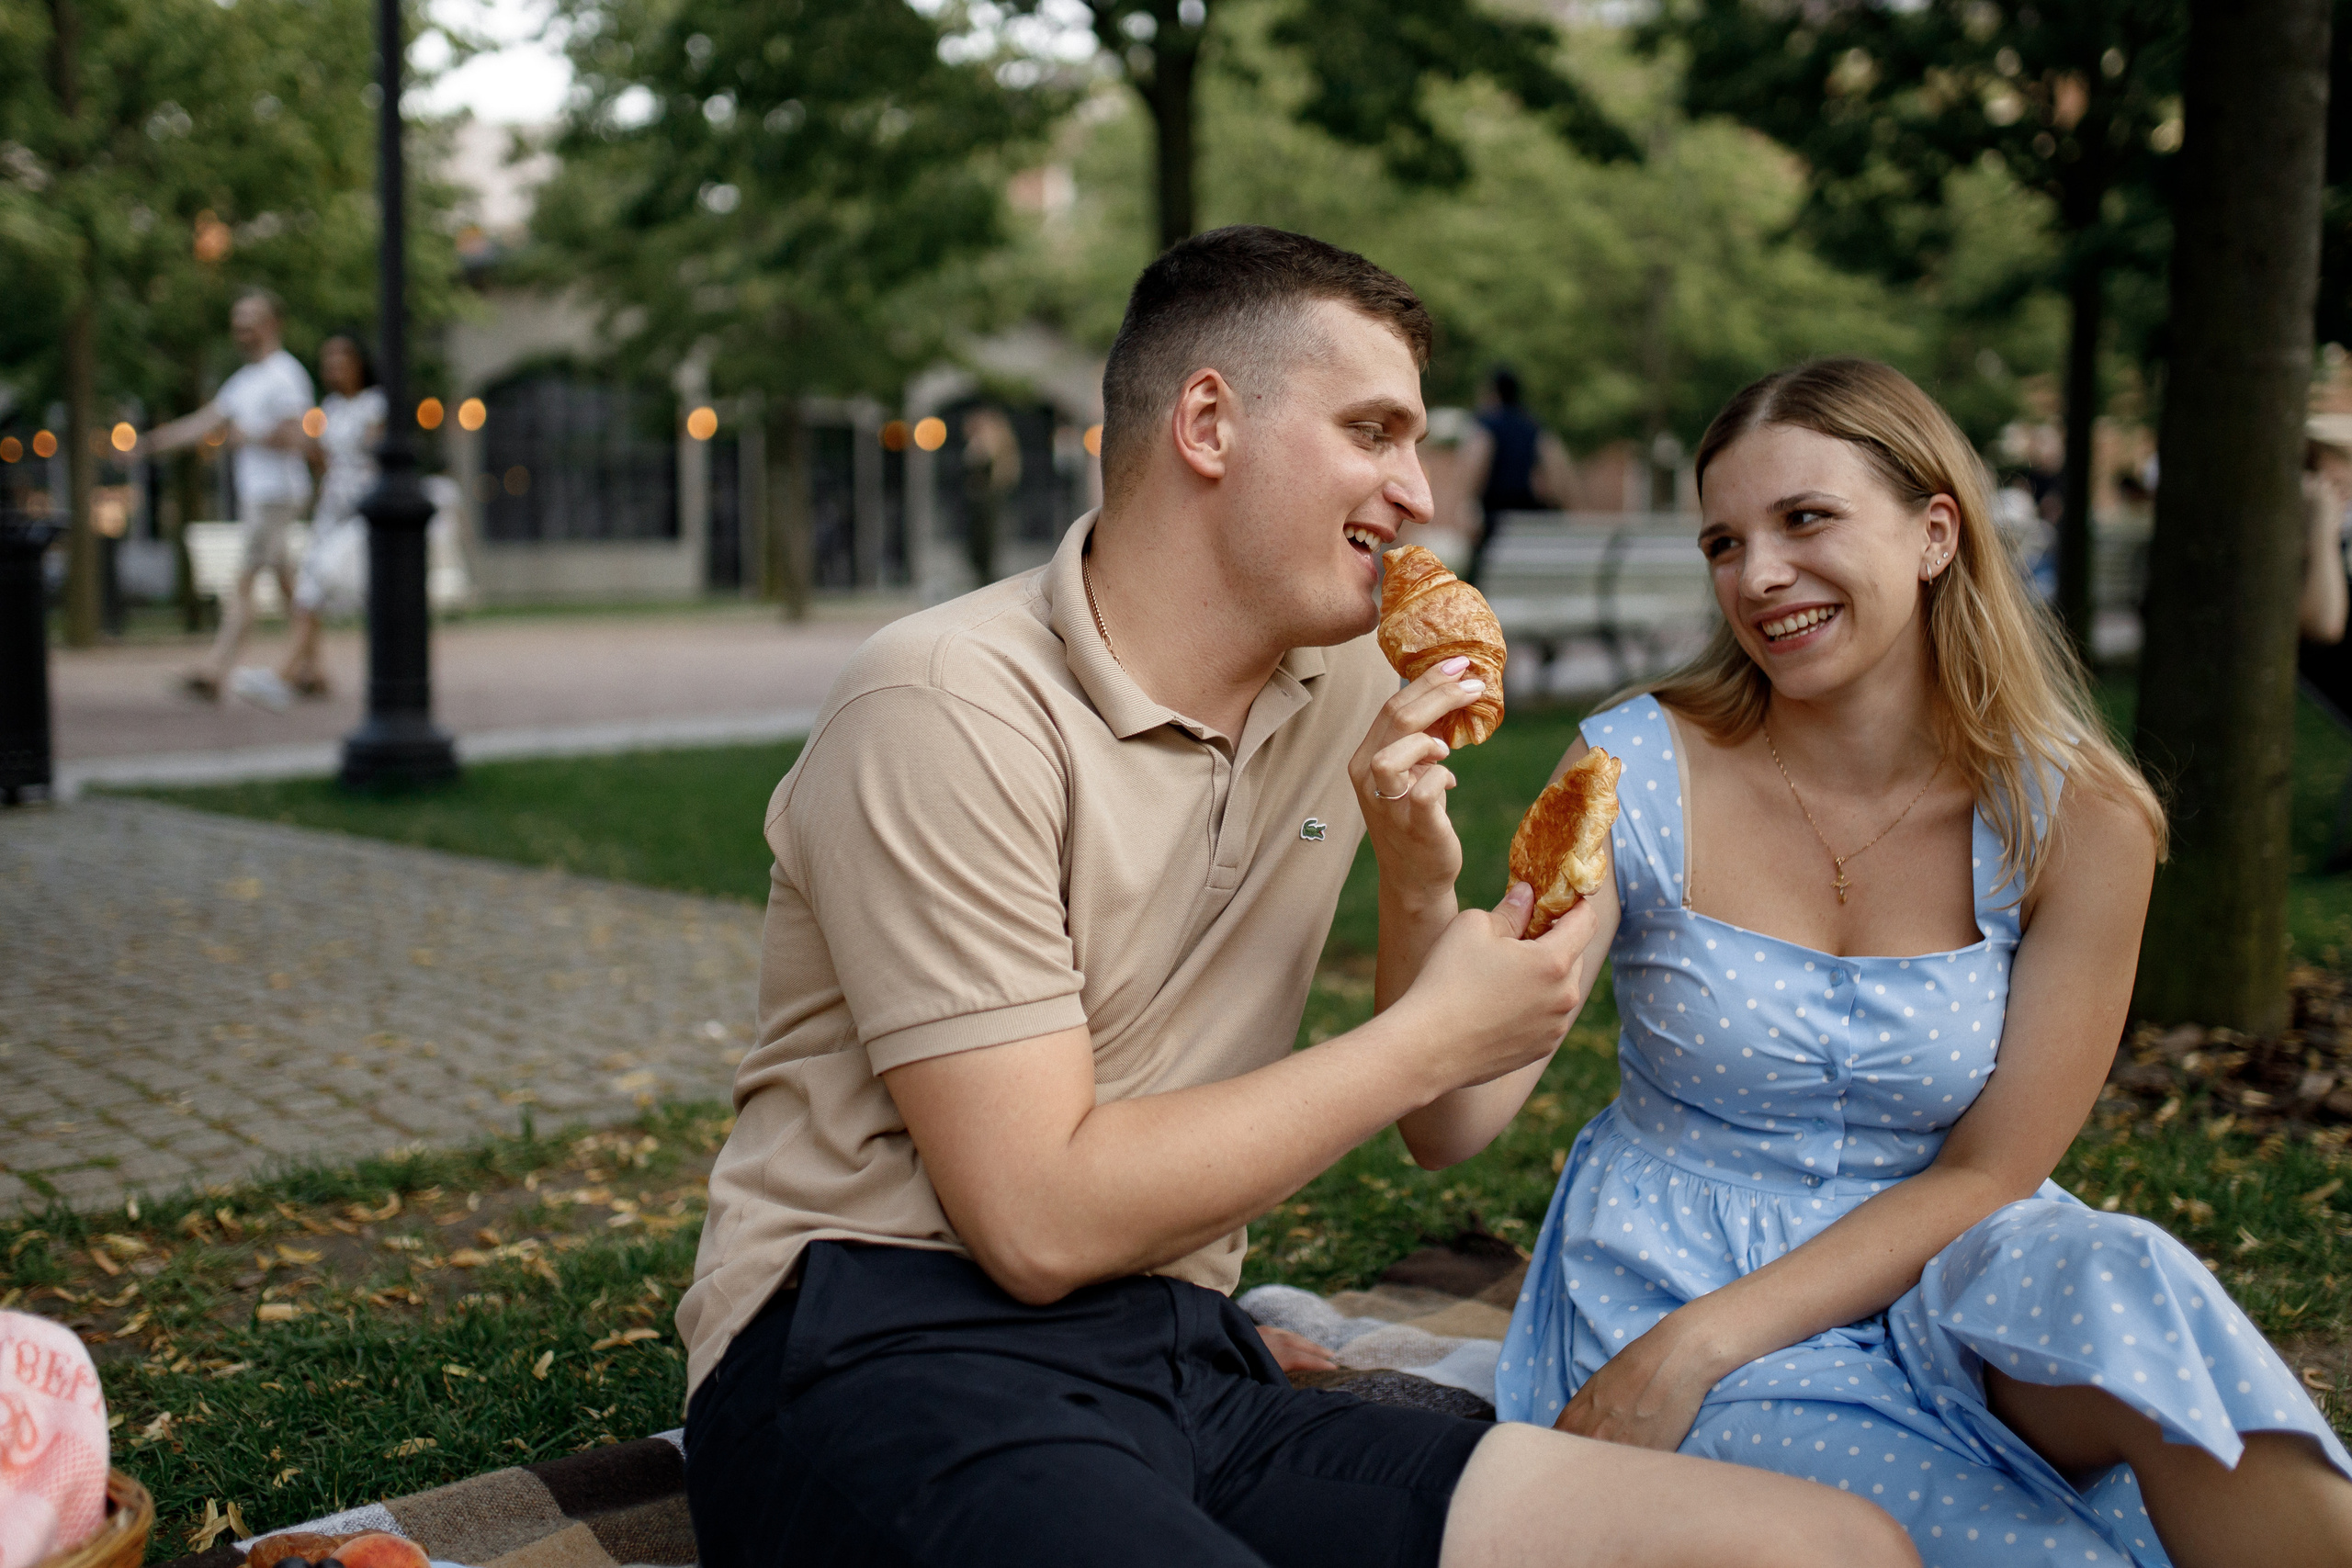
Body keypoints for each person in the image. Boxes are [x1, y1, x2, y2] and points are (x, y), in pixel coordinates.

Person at [675, 229, 1917, 1568]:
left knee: (1822, 1546)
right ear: (1208, 422)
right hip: (885, 1343)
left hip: (1177, 1353)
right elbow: (1033, 1221)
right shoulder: (947, 703)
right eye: (1374, 432)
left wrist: (1421, 876)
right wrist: (1428, 1035)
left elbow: (1448, 1113)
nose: (1418, 493)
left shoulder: (1351, 690)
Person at [1459, 359, 2352, 1565]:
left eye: (1805, 518)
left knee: (2131, 1280)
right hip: (1671, 1272)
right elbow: (1455, 1120)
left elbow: (1996, 1168)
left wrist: (1699, 1345)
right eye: (1724, 542)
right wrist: (1414, 872)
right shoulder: (1629, 770)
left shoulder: (2081, 818)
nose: (1757, 575)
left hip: (1947, 1258)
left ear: (1936, 533)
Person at [134, 289, 314, 701]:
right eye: (238, 323)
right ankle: (313, 668)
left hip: (277, 494)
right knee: (288, 584)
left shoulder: (286, 374)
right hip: (257, 494)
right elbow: (203, 423)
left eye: (250, 321)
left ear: (272, 324)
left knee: (244, 580)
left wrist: (249, 436)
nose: (242, 330)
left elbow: (299, 437)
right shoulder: (243, 381)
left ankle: (215, 670)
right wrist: (148, 445)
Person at [242, 331, 384, 705]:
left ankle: (287, 675)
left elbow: (378, 457)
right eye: (329, 362)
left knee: (326, 582)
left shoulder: (374, 405)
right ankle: (303, 674)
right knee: (308, 590)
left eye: (341, 360)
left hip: (362, 512)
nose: (334, 368)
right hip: (332, 510)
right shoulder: (331, 407)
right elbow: (324, 459)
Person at [1460, 366, 1567, 587]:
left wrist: (1467, 504)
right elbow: (1559, 474)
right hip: (1528, 524)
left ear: (1493, 392)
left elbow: (1476, 463)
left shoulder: (1488, 424)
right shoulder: (1534, 426)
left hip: (1496, 525)